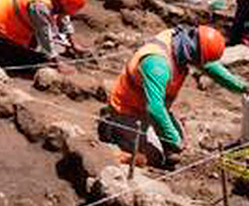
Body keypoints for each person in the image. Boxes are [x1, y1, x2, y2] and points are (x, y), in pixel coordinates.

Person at [98, 25, 235, 167]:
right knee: (155, 157)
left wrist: (243, 87)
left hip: (147, 107)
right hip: (127, 111)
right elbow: (155, 109)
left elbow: (209, 66)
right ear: (194, 53)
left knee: (178, 144)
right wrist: (173, 140)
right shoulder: (157, 64)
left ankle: (146, 141)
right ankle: (112, 133)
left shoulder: (182, 42)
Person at [0, 0, 87, 67]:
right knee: (37, 62)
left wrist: (73, 44)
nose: (63, 14)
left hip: (8, 14)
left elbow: (64, 16)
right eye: (63, 11)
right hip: (1, 25)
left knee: (55, 44)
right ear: (59, 4)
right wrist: (57, 62)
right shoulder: (39, 4)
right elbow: (44, 34)